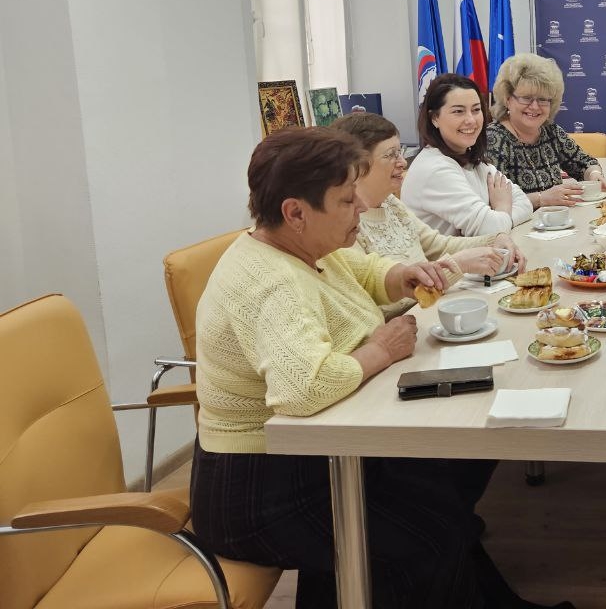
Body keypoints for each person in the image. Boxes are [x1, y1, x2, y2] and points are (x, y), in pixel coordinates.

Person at [190, 127, 567, 608]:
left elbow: (361, 270)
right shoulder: (269, 280)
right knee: (430, 535)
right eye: (347, 200)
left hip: (311, 455)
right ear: (295, 213)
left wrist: (399, 275)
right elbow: (304, 388)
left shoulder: (303, 247)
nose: (363, 207)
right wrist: (380, 351)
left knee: (442, 502)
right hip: (260, 489)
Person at [333, 111, 523, 274]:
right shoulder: (343, 226)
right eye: (391, 155)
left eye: (400, 152)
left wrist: (494, 240)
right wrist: (458, 265)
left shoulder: (391, 204)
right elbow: (385, 295)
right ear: (356, 166)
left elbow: (437, 245)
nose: (402, 162)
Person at [403, 73, 534, 236]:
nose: (471, 120)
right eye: (458, 111)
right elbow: (492, 230)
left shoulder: (471, 158)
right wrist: (502, 207)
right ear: (434, 118)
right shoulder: (435, 169)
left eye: (476, 110)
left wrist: (500, 218)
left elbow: (525, 204)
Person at [485, 53, 606, 208]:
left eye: (543, 99)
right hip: (517, 223)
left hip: (557, 220)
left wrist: (595, 175)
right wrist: (541, 199)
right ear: (508, 99)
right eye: (526, 98)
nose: (535, 106)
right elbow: (491, 202)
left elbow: (585, 163)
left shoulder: (551, 132)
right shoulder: (494, 138)